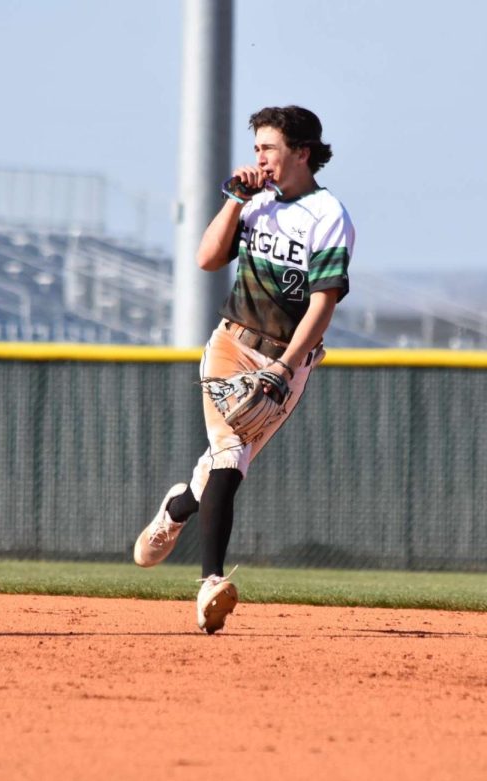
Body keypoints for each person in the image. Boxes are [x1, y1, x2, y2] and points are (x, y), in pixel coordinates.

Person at [133, 105, 356, 634]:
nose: (259, 157)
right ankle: (211, 581)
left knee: (221, 466)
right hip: (231, 346)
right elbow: (207, 259)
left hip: (288, 359)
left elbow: (324, 304)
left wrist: (285, 365)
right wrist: (235, 200)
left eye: (269, 148)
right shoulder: (255, 204)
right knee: (231, 457)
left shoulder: (328, 215)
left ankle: (179, 507)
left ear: (301, 152)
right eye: (256, 147)